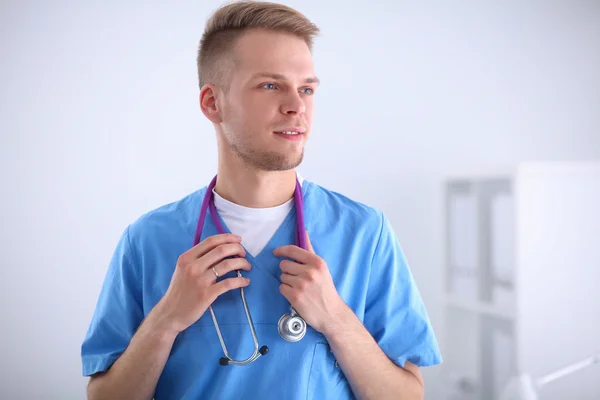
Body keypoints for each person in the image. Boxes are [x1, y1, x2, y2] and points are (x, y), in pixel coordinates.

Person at [80, 1, 442, 399]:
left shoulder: (364, 234)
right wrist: (166, 319)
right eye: (270, 85)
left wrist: (337, 320)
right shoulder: (148, 240)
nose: (296, 106)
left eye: (306, 89)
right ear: (212, 103)